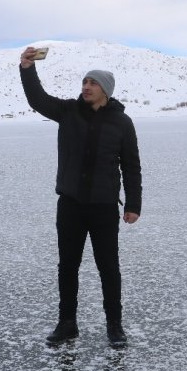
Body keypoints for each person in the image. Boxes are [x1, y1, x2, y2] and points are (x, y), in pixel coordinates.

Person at [19, 46, 142, 347]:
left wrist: (134, 204)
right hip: (71, 205)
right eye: (85, 82)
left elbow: (131, 165)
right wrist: (27, 68)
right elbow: (38, 100)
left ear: (106, 91)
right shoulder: (68, 112)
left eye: (93, 83)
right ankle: (67, 324)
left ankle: (114, 325)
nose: (86, 87)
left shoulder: (121, 123)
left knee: (108, 267)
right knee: (68, 266)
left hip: (102, 207)